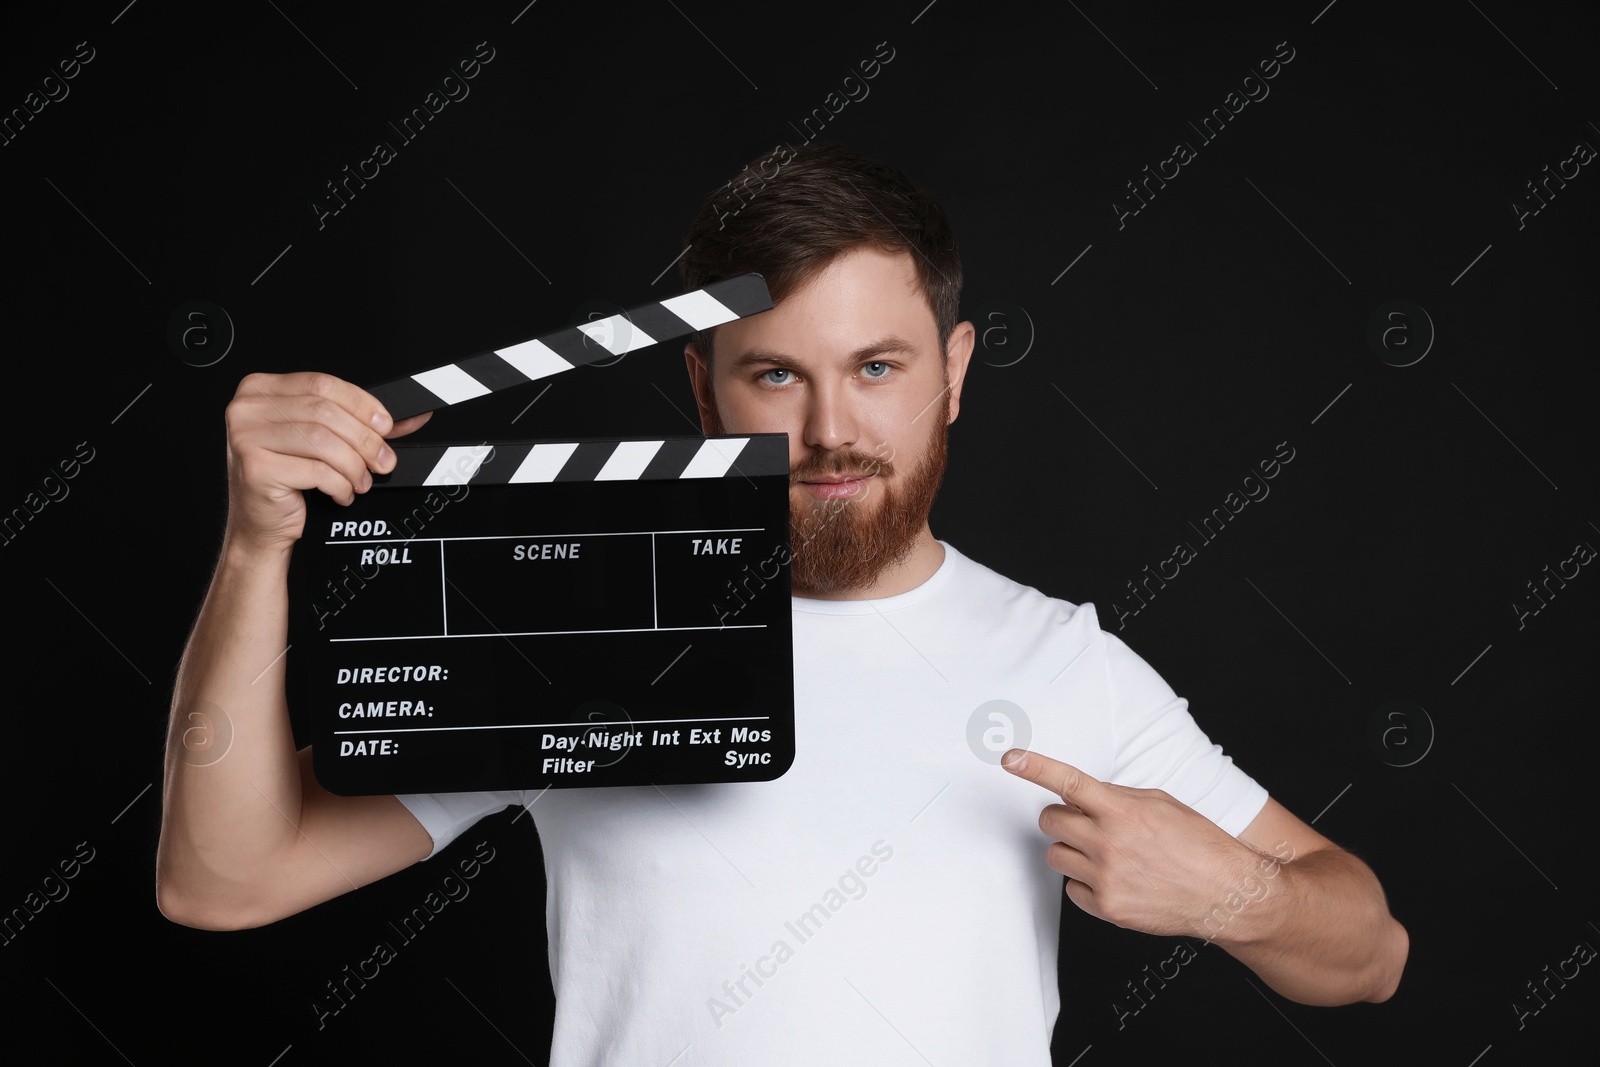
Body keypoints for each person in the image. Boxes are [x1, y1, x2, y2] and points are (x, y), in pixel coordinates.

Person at [157, 143, 1407, 1063]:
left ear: (955, 374)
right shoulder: (571, 623)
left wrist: (1231, 895)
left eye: (877, 366)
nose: (830, 429)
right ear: (703, 390)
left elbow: (1370, 950)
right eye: (775, 374)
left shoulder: (1064, 661)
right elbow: (225, 880)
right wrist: (257, 550)